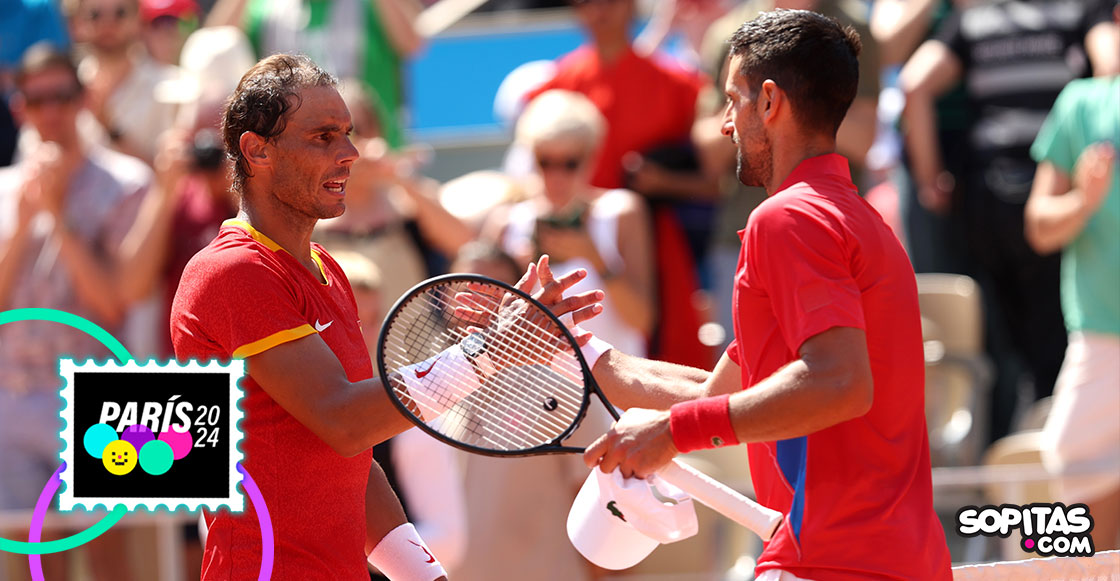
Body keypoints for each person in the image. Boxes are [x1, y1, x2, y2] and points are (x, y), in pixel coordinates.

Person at [169, 53, 601, 580]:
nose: (350, 153)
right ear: (257, 151)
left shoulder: (327, 269)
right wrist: (490, 349)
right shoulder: (231, 271)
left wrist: (427, 577)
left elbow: (354, 465)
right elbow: (344, 420)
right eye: (323, 137)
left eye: (347, 134)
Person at [575, 11, 951, 580]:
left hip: (828, 562)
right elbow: (715, 393)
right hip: (895, 562)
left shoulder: (789, 218)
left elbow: (839, 383)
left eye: (733, 99)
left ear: (770, 102)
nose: (726, 123)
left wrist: (670, 434)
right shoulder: (860, 221)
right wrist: (572, 350)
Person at [899, 0, 1118, 441]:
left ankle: (1010, 461)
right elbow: (1109, 68)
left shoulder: (976, 20)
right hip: (1060, 194)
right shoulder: (1078, 13)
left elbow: (912, 85)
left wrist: (930, 179)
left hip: (989, 201)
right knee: (1054, 348)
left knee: (998, 348)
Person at [0, 42, 149, 581]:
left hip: (99, 397)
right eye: (35, 100)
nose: (50, 111)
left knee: (112, 562)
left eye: (61, 96)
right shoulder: (3, 190)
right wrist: (22, 222)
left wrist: (59, 217)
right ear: (19, 108)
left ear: (82, 99)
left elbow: (113, 301)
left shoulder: (127, 183)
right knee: (34, 564)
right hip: (13, 394)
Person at [1026, 38, 1120, 550]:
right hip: (1102, 338)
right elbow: (1040, 226)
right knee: (1075, 471)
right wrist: (1085, 200)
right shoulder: (1082, 104)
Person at [485, 89, 655, 359]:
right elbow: (487, 328)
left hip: (618, 390)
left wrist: (595, 259)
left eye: (569, 163)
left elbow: (641, 319)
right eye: (545, 162)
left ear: (592, 157)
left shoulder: (622, 211)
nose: (556, 176)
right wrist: (517, 275)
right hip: (538, 392)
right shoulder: (506, 223)